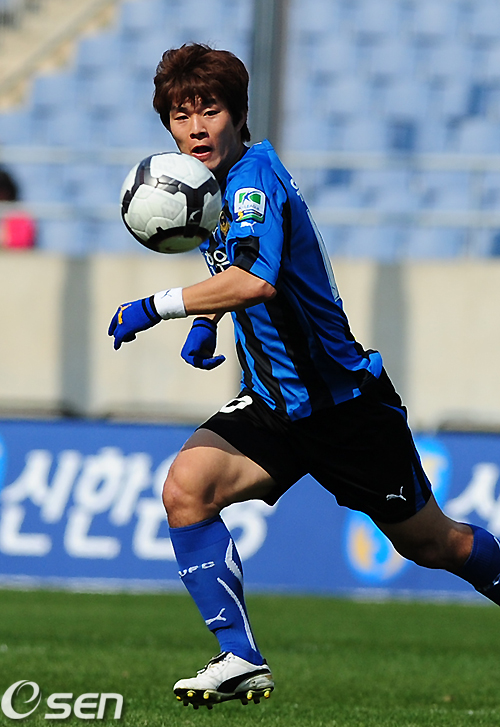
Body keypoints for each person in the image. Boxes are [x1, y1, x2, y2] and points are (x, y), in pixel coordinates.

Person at [108, 43, 500, 709]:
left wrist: (158, 307)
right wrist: (209, 322)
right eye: (181, 115)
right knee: (186, 489)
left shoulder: (252, 182)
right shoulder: (210, 188)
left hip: (344, 407)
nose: (196, 128)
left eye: (211, 110)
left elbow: (256, 281)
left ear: (239, 115)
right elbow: (234, 269)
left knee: (435, 543)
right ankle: (239, 656)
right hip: (273, 404)